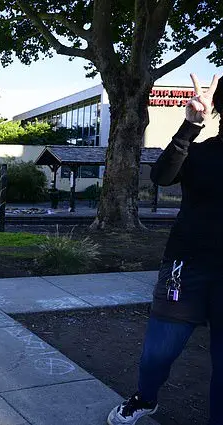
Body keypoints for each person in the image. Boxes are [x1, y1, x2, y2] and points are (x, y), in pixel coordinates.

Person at [107, 73, 222, 425]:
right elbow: (161, 176)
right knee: (158, 352)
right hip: (186, 267)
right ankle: (145, 398)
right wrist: (190, 126)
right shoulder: (200, 152)